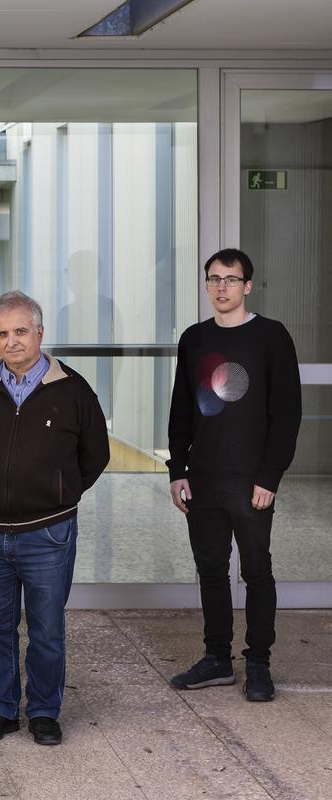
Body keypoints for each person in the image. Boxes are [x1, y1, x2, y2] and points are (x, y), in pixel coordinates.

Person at [0, 290, 109, 746]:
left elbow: (94, 455)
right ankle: (0, 709)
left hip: (48, 533)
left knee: (46, 629)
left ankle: (44, 711)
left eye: (20, 331)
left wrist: (59, 492)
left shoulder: (73, 390)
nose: (12, 341)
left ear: (39, 332)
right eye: (2, 333)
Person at [166, 249, 301, 702]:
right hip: (203, 479)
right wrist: (177, 469)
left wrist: (269, 477)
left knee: (258, 571)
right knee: (211, 570)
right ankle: (217, 660)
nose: (221, 287)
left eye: (230, 279)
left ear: (247, 285)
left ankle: (259, 663)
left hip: (251, 482)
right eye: (213, 279)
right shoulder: (195, 339)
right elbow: (181, 409)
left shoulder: (271, 337)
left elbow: (286, 415)